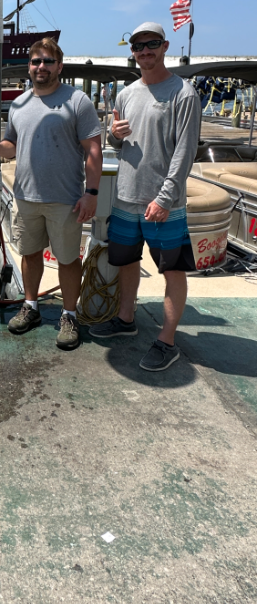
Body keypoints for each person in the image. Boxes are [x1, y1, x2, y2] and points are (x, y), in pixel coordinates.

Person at [89, 23, 201, 372]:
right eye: (138, 46)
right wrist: (114, 135)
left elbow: (185, 152)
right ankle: (126, 319)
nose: (145, 51)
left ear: (165, 46)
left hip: (163, 204)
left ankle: (167, 340)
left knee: (172, 271)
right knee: (126, 261)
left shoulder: (184, 93)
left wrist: (166, 198)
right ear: (133, 51)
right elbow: (115, 146)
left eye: (152, 44)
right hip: (125, 197)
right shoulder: (125, 94)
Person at [0, 37, 103, 350]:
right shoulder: (20, 103)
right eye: (36, 61)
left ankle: (68, 314)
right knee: (29, 254)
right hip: (26, 196)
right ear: (29, 66)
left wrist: (91, 193)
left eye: (48, 61)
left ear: (59, 66)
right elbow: (13, 144)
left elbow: (93, 149)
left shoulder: (78, 101)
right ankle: (31, 306)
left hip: (65, 198)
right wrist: (1, 149)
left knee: (67, 259)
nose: (41, 67)